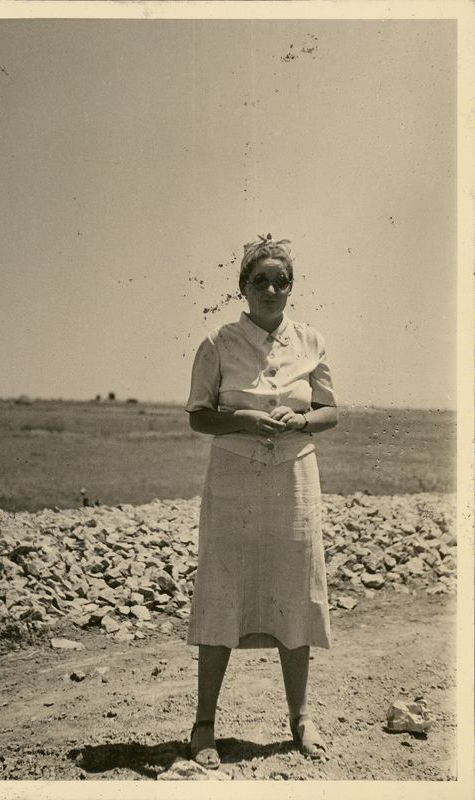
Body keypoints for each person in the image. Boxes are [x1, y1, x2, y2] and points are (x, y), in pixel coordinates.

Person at [184, 234, 339, 769]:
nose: (271, 290)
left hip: (294, 480)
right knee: (222, 590)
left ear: (291, 288)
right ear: (243, 287)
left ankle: (301, 718)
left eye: (281, 281)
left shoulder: (311, 340)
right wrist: (245, 420)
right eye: (260, 281)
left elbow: (330, 412)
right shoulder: (218, 342)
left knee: (295, 592)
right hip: (234, 483)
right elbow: (199, 415)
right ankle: (204, 725)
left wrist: (302, 419)